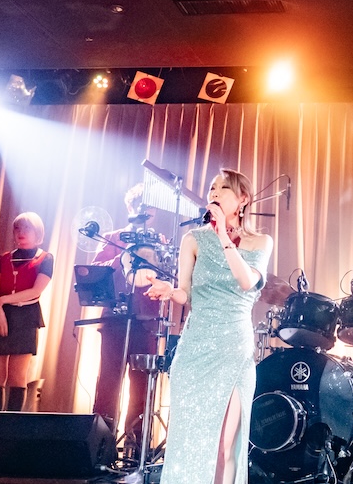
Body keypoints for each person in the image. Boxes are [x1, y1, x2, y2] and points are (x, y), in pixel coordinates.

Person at [145, 168, 271, 484]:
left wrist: (224, 237)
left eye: (223, 188)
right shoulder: (193, 239)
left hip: (233, 349)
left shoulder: (261, 242)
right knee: (189, 444)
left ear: (243, 199)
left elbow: (246, 281)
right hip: (195, 349)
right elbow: (185, 292)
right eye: (212, 188)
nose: (214, 193)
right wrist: (169, 290)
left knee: (224, 446)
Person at [90, 183, 162, 447]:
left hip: (147, 321)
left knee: (142, 382)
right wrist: (123, 258)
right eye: (140, 206)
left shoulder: (160, 241)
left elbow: (169, 277)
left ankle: (136, 444)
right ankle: (100, 445)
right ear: (130, 208)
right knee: (108, 381)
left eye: (150, 207)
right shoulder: (113, 237)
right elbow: (94, 272)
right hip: (114, 319)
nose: (145, 211)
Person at [0, 212, 53, 413]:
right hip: (0, 315)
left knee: (17, 376)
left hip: (26, 317)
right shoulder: (3, 258)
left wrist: (1, 301)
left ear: (38, 232)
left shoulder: (45, 258)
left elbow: (36, 290)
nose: (21, 232)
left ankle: (12, 425)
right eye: (17, 228)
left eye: (27, 228)